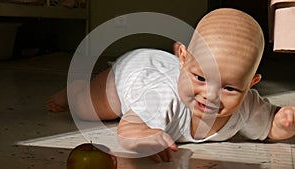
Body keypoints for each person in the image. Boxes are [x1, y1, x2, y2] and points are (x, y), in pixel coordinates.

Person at [47, 8, 295, 162]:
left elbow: (268, 128)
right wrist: (144, 135)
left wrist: (285, 122)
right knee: (87, 108)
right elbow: (128, 127)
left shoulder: (246, 106)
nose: (211, 95)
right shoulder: (163, 98)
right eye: (200, 78)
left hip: (167, 66)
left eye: (229, 88)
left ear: (251, 84)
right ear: (184, 60)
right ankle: (72, 92)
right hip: (133, 73)